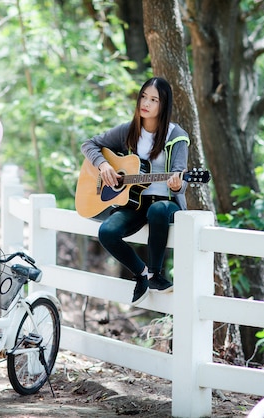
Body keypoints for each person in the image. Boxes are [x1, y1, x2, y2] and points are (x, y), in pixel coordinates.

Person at [80, 76, 190, 306]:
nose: (146, 103)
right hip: (134, 203)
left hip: (164, 202)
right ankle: (140, 273)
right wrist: (104, 165)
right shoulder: (129, 131)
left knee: (157, 211)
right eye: (143, 96)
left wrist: (178, 183)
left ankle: (155, 275)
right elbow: (88, 144)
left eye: (153, 99)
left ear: (164, 105)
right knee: (107, 232)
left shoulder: (176, 136)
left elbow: (181, 176)